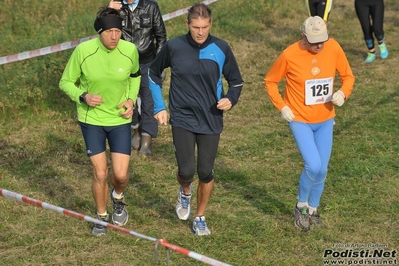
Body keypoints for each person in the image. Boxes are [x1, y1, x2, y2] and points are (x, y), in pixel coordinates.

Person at [148, 3, 244, 236]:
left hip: (211, 118)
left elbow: (237, 81)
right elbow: (152, 74)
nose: (200, 32)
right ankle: (185, 191)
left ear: (210, 24)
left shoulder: (221, 48)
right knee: (187, 171)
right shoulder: (174, 47)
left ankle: (200, 216)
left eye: (204, 27)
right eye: (195, 27)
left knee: (206, 171)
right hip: (182, 116)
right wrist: (160, 107)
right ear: (187, 24)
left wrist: (231, 99)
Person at [264, 16, 355, 230]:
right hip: (300, 119)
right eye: (314, 41)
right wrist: (282, 106)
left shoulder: (333, 48)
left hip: (325, 119)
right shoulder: (289, 54)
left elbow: (348, 76)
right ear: (303, 37)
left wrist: (343, 93)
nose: (319, 45)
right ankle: (301, 206)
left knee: (322, 169)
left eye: (322, 39)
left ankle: (313, 209)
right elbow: (270, 81)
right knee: (312, 164)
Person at [59, 6, 141, 236]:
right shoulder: (83, 51)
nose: (114, 36)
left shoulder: (129, 50)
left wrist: (130, 101)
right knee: (101, 174)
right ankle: (101, 218)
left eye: (118, 31)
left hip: (119, 120)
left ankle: (118, 197)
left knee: (121, 175)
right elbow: (65, 82)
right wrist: (83, 96)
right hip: (91, 119)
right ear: (99, 32)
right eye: (109, 32)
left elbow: (135, 77)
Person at [108, 0, 167, 156]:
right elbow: (103, 30)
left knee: (149, 101)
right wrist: (108, 11)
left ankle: (147, 141)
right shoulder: (116, 7)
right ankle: (135, 131)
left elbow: (161, 37)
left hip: (149, 62)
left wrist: (159, 65)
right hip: (124, 63)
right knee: (127, 100)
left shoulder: (151, 6)